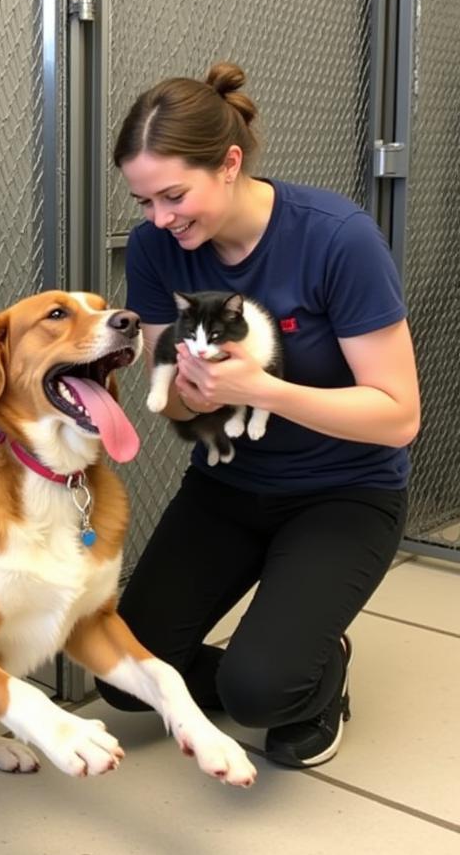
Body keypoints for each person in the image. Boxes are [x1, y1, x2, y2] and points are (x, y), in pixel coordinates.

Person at [96, 62, 419, 769]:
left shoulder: (336, 237)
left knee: (260, 694)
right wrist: (188, 393)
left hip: (345, 492)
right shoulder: (156, 248)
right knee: (122, 678)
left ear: (231, 162)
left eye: (174, 195)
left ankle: (306, 667)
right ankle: (268, 655)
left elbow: (398, 416)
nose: (159, 219)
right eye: (144, 200)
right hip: (229, 485)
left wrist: (262, 391)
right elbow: (173, 397)